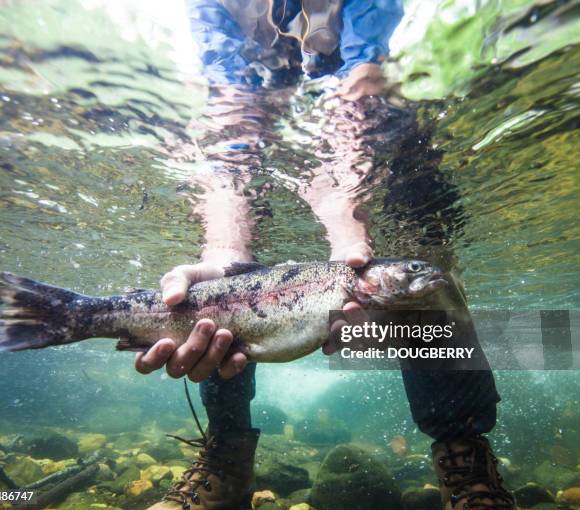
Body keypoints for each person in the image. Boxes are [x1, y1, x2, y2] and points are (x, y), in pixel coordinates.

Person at [139, 2, 517, 509]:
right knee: (226, 298)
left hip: (381, 146)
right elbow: (230, 117)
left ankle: (465, 457)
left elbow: (362, 82)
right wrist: (226, 251)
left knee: (426, 277)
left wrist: (348, 239)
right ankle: (226, 455)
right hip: (262, 153)